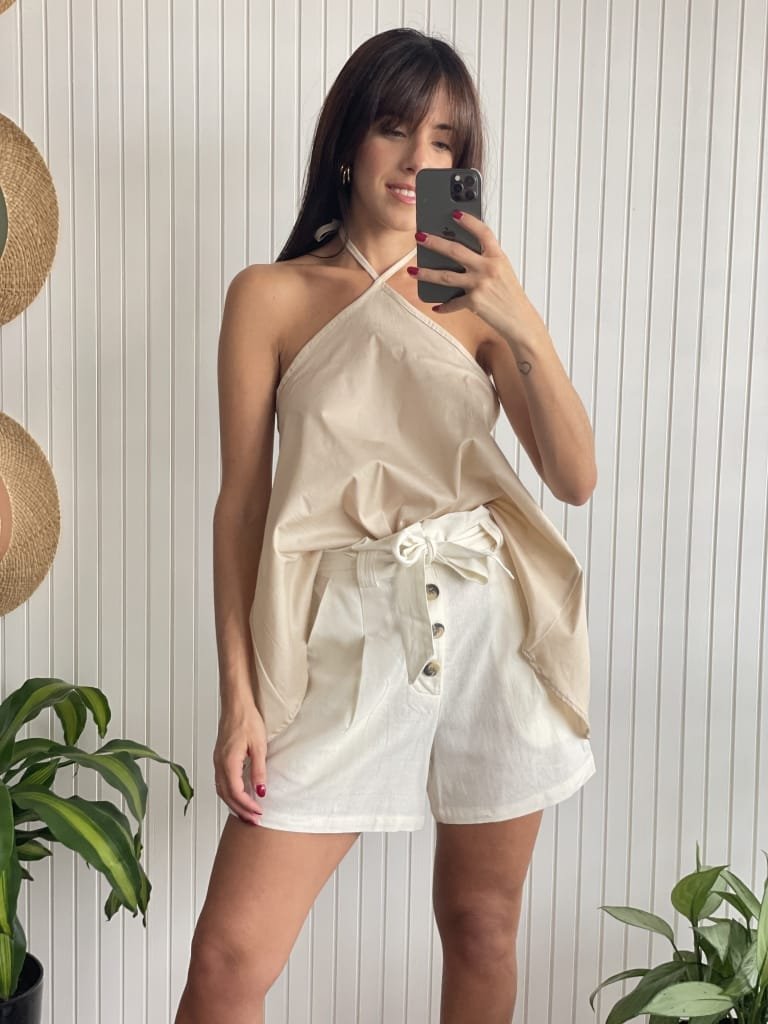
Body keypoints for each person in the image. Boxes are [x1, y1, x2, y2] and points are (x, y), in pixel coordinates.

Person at [174, 26, 597, 1024]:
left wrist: (516, 313)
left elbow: (575, 478)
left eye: (445, 141)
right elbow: (243, 504)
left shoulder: (478, 302)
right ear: (347, 143)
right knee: (229, 959)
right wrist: (240, 698)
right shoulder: (270, 296)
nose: (417, 160)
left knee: (482, 923)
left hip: (491, 625)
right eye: (396, 129)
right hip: (345, 633)